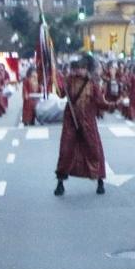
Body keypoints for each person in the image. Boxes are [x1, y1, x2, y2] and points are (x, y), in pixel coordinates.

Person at [55, 55, 115, 195]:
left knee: (94, 151)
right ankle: (60, 183)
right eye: (76, 68)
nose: (78, 71)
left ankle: (100, 181)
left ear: (86, 69)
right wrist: (55, 79)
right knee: (66, 151)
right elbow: (61, 94)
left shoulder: (92, 83)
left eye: (81, 68)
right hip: (71, 122)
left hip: (88, 123)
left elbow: (100, 101)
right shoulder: (68, 81)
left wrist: (112, 105)